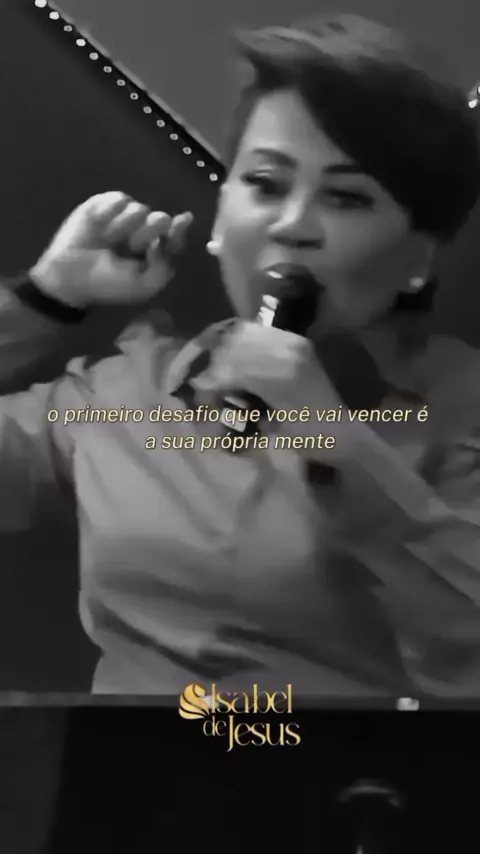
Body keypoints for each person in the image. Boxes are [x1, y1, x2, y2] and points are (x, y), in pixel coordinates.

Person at [1, 12, 480, 699]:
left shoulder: (462, 413)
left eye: (346, 197)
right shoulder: (126, 391)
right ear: (222, 218)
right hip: (125, 763)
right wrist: (45, 299)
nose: (292, 224)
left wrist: (341, 449)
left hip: (355, 766)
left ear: (420, 259)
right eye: (265, 183)